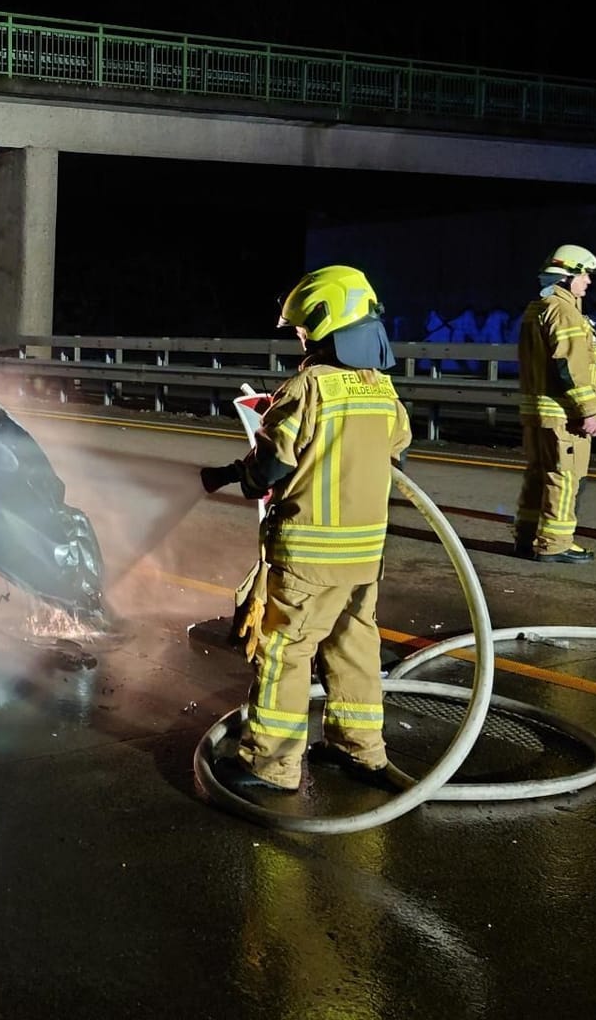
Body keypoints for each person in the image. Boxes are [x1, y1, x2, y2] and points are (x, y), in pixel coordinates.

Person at [198, 265, 412, 795]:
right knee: (353, 645)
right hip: (364, 558)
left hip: (309, 556)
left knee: (285, 653)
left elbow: (269, 469)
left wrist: (241, 472)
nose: (300, 340)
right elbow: (397, 447)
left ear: (326, 328)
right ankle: (359, 750)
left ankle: (270, 765)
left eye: (303, 332)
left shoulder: (307, 388)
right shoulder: (382, 389)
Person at [514, 245, 596, 563]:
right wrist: (588, 410)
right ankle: (555, 543)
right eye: (584, 275)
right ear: (567, 277)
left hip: (538, 412)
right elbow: (571, 365)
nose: (588, 282)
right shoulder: (564, 311)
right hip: (562, 414)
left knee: (539, 474)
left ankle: (526, 537)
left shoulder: (537, 306)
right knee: (564, 477)